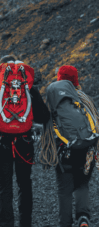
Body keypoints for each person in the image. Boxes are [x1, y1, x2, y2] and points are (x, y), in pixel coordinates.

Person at [0, 55, 50, 227]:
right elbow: (44, 116)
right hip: (24, 143)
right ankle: (25, 223)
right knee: (24, 184)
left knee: (4, 187)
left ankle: (6, 223)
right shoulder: (29, 89)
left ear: (0, 70)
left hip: (0, 144)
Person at [41, 65, 98, 227]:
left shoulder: (53, 99)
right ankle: (83, 218)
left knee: (64, 190)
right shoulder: (84, 98)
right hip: (87, 148)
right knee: (82, 184)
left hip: (63, 150)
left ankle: (65, 223)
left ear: (59, 78)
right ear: (75, 80)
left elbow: (46, 124)